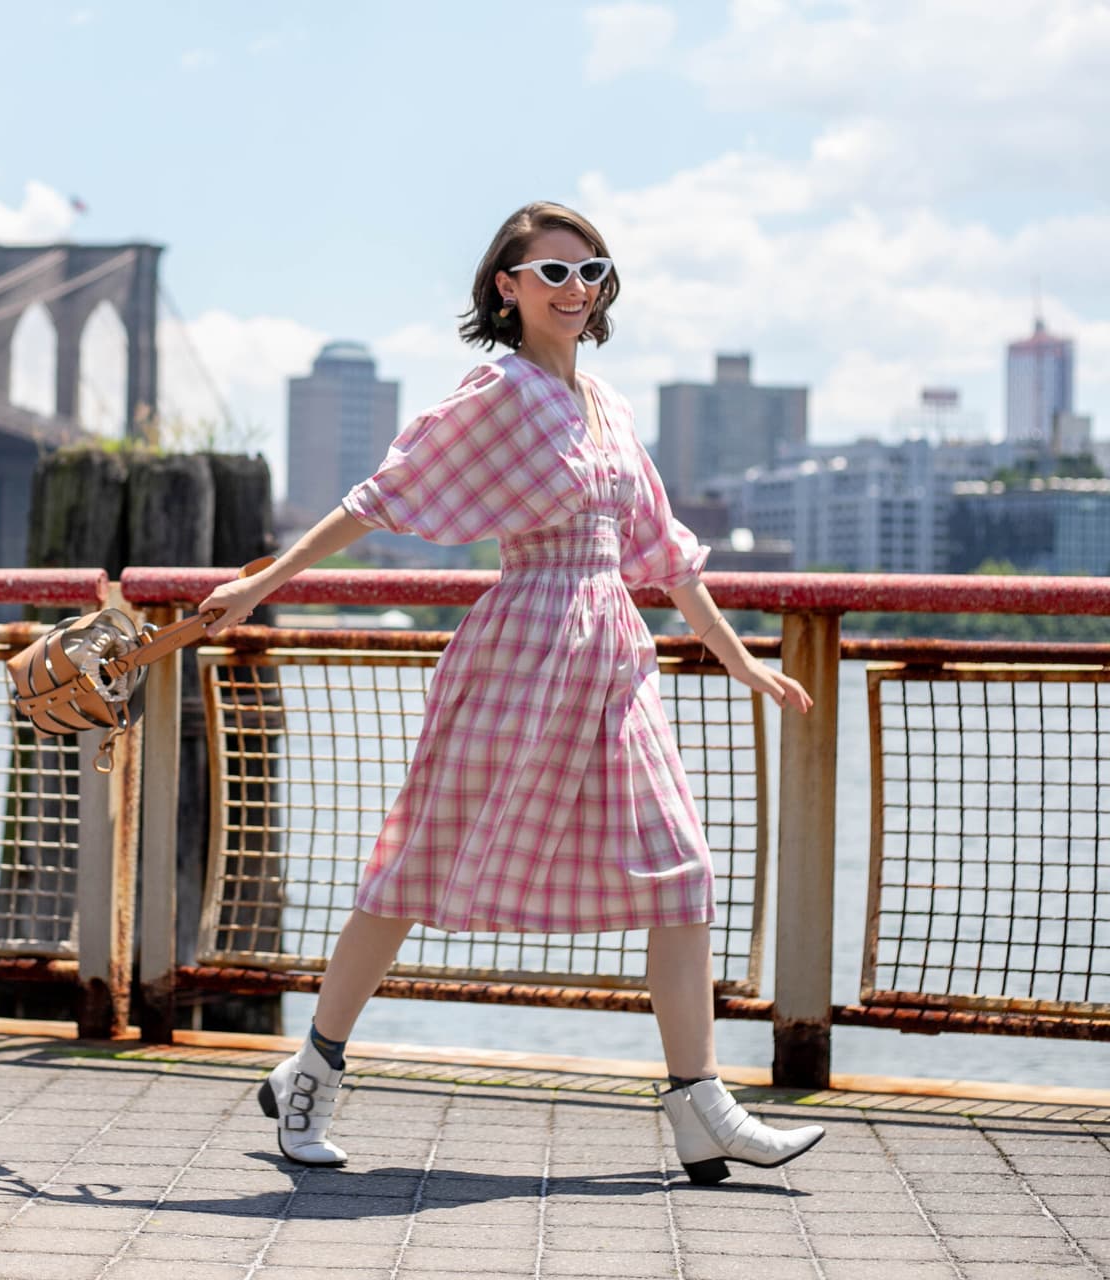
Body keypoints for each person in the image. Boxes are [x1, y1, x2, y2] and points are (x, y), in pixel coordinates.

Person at [198, 201, 824, 1186]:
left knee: (682, 868)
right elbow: (383, 494)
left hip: (613, 658)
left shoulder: (608, 405)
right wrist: (259, 583)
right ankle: (314, 1066)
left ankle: (699, 1102)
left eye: (592, 272)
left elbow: (666, 549)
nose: (576, 290)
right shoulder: (502, 389)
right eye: (553, 274)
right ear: (508, 287)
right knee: (413, 866)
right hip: (522, 650)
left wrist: (739, 657)